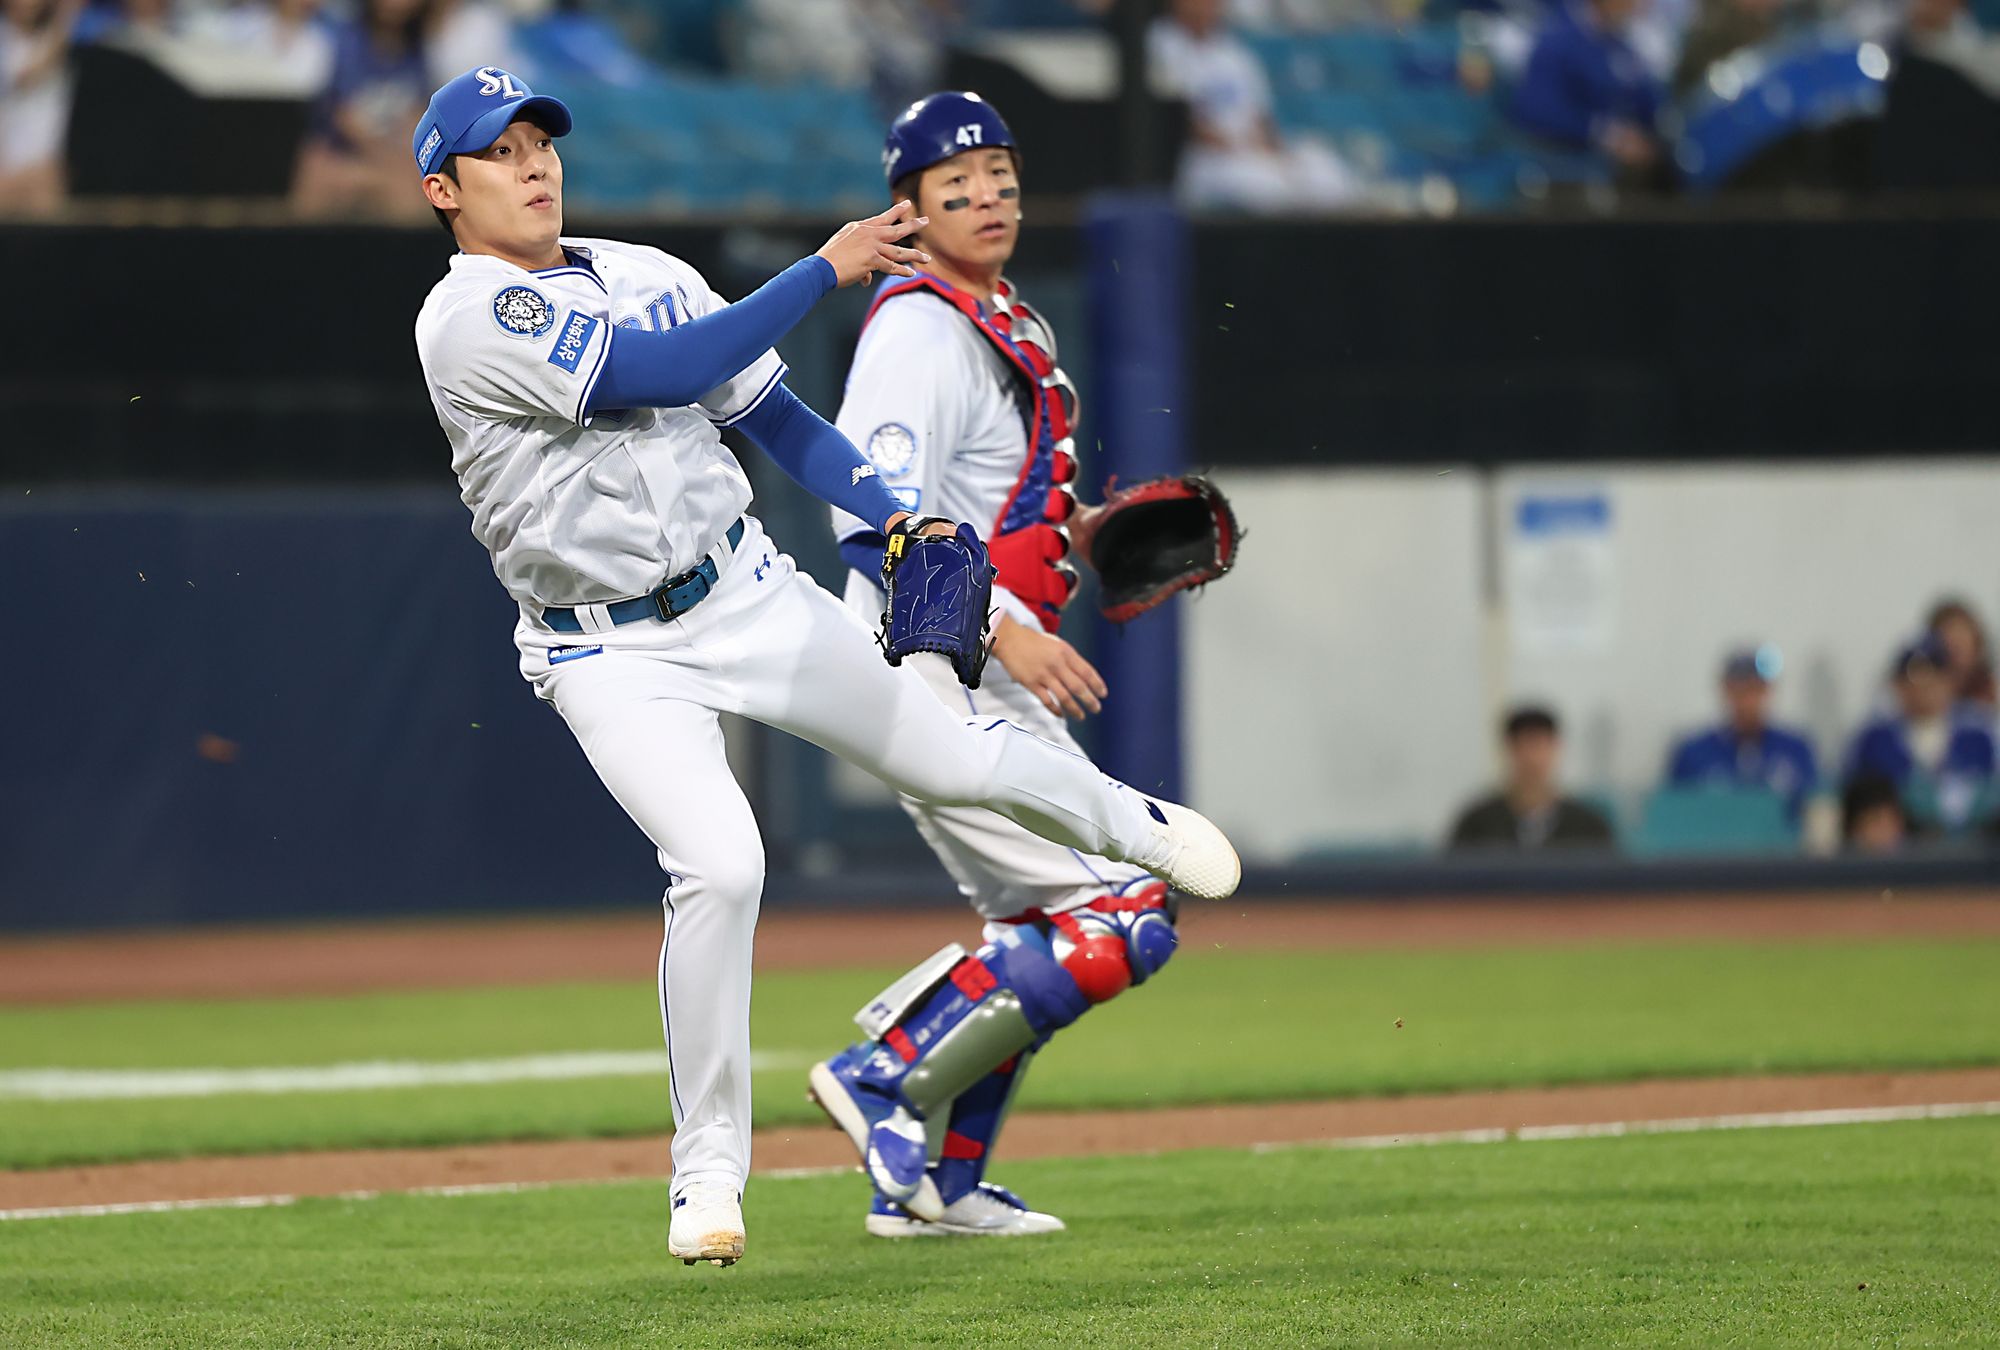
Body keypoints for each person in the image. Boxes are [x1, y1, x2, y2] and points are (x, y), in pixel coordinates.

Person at [408, 67, 1239, 1269]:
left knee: (951, 757)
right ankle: (707, 1173)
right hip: (605, 648)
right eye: (499, 152)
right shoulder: (469, 316)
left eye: (541, 141)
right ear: (443, 190)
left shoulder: (642, 270)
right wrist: (821, 269)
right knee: (721, 865)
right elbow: (654, 375)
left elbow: (779, 420)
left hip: (741, 590)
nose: (533, 164)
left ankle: (1131, 824)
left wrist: (898, 515)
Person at [802, 92, 1187, 1241]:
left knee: (1045, 928)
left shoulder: (1000, 318)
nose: (985, 199)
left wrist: (1079, 536)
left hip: (976, 657)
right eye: (955, 184)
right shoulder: (918, 329)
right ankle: (879, 1075)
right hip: (929, 660)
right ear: (908, 208)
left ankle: (939, 1187)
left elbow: (983, 504)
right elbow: (869, 513)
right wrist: (1002, 625)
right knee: (1123, 911)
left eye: (1001, 182)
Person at [1148, 0, 1361, 212]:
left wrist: (1270, 154)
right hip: (1201, 160)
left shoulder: (1233, 52)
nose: (1207, 6)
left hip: (1246, 151)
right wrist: (1237, 148)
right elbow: (1178, 118)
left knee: (1323, 171)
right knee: (1266, 186)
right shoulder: (1160, 43)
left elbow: (1261, 116)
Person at [294, 0, 436, 219]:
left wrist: (399, 162)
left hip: (392, 157)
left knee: (412, 190)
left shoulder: (419, 49)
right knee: (315, 170)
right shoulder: (345, 41)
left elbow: (416, 119)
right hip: (341, 153)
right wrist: (386, 161)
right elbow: (343, 117)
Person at [1844, 634, 1997, 832]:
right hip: (1904, 847)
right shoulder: (1875, 740)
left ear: (1949, 680)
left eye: (1932, 676)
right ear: (1897, 685)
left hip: (1976, 843)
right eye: (1913, 679)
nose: (1923, 687)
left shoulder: (1978, 736)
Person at [1509, 0, 1667, 179]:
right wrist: (1602, 132)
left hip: (1610, 162)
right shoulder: (1557, 39)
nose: (1635, 5)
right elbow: (1536, 110)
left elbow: (1648, 104)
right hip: (1559, 160)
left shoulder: (1622, 47)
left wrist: (1643, 136)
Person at [1664, 645, 1819, 819]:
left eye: (1755, 689)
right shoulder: (1693, 753)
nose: (1748, 700)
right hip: (1714, 835)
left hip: (1778, 836)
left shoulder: (1795, 749)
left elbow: (1816, 807)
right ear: (1726, 690)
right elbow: (1674, 813)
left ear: (1767, 691)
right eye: (1741, 690)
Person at [1448, 706, 1616, 851]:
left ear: (1556, 749)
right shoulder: (1476, 826)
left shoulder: (1588, 829)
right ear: (1508, 750)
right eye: (1523, 746)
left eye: (1540, 746)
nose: (1532, 758)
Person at [0, 0, 83, 216]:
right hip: (8, 168)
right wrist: (67, 16)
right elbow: (24, 77)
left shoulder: (64, 39)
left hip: (47, 167)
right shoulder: (59, 35)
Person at [1926, 597, 1996, 708]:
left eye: (1961, 634)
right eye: (1948, 634)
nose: (1956, 643)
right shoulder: (1923, 697)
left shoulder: (1993, 691)